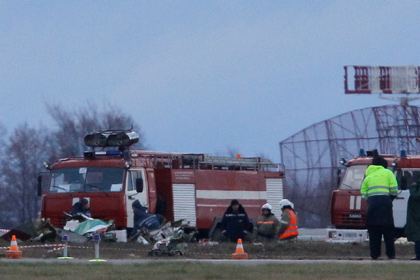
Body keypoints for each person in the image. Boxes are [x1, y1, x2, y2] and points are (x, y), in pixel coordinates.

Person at [361, 155, 398, 260]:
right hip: (386, 203)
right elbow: (394, 189)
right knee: (388, 231)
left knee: (373, 231)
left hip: (372, 205)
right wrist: (390, 198)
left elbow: (363, 193)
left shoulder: (368, 176)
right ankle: (391, 255)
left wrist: (371, 199)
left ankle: (374, 255)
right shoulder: (388, 173)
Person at [405, 176, 420, 260]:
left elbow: (415, 196)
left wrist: (413, 186)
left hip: (416, 217)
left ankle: (418, 255)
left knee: (417, 236)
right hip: (416, 216)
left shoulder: (416, 189)